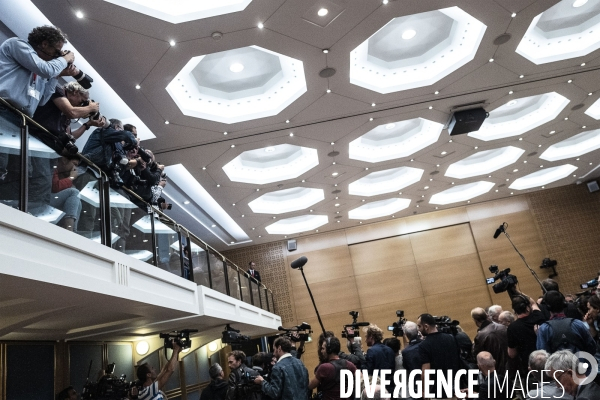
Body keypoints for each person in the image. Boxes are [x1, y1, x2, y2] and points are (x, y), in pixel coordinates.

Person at [0, 25, 76, 117]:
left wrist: (56, 75)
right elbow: (47, 70)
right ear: (45, 44)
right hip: (3, 107)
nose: (56, 56)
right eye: (56, 51)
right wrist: (64, 59)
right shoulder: (16, 44)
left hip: (20, 118)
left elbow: (42, 100)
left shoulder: (40, 69)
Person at [417, 313, 463, 397]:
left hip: (439, 390)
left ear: (426, 326)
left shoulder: (423, 345)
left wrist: (425, 390)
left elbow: (426, 371)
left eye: (419, 326)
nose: (418, 330)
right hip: (456, 386)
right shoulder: (451, 337)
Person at [507, 293, 547, 377]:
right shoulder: (539, 316)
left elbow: (512, 354)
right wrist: (515, 291)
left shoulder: (512, 328)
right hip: (547, 361)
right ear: (528, 307)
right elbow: (533, 303)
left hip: (530, 366)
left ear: (514, 310)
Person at [308, 336, 357, 400]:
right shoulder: (349, 364)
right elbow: (361, 379)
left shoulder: (324, 368)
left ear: (329, 350)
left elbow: (311, 386)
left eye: (323, 349)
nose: (321, 351)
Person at [471, 307, 509, 376]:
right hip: (511, 368)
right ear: (487, 315)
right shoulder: (503, 327)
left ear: (475, 321)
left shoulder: (480, 336)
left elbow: (477, 356)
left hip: (495, 372)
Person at [362, 324, 395, 396]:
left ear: (371, 337)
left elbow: (368, 371)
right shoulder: (390, 349)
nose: (365, 340)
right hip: (390, 387)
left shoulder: (371, 351)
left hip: (378, 389)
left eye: (366, 337)